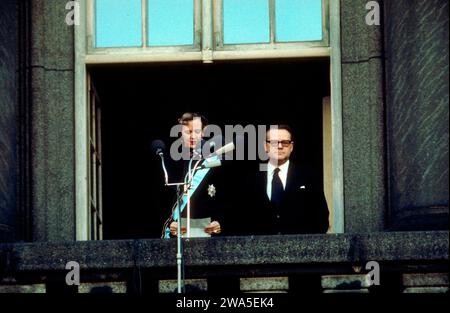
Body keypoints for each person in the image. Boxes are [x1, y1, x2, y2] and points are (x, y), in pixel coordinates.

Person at [245, 124, 329, 235]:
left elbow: (321, 217)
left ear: (291, 147)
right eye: (274, 142)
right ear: (265, 146)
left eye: (285, 142)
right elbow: (244, 218)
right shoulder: (251, 181)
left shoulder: (308, 177)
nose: (280, 146)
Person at [162, 112, 223, 238]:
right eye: (188, 132)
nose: (193, 136)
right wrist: (170, 224)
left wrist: (219, 221)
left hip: (207, 235)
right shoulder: (168, 159)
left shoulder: (214, 157)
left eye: (197, 131)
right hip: (175, 237)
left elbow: (228, 197)